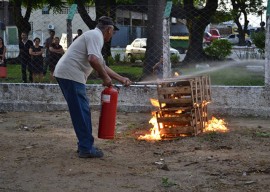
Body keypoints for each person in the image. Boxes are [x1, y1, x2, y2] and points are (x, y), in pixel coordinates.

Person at [54, 16, 131, 159]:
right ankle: (86, 148)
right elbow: (93, 60)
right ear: (109, 29)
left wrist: (121, 78)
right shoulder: (96, 36)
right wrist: (105, 78)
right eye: (112, 32)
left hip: (68, 74)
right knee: (81, 112)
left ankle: (85, 145)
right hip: (71, 75)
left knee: (82, 111)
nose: (112, 35)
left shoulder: (93, 35)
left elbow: (101, 64)